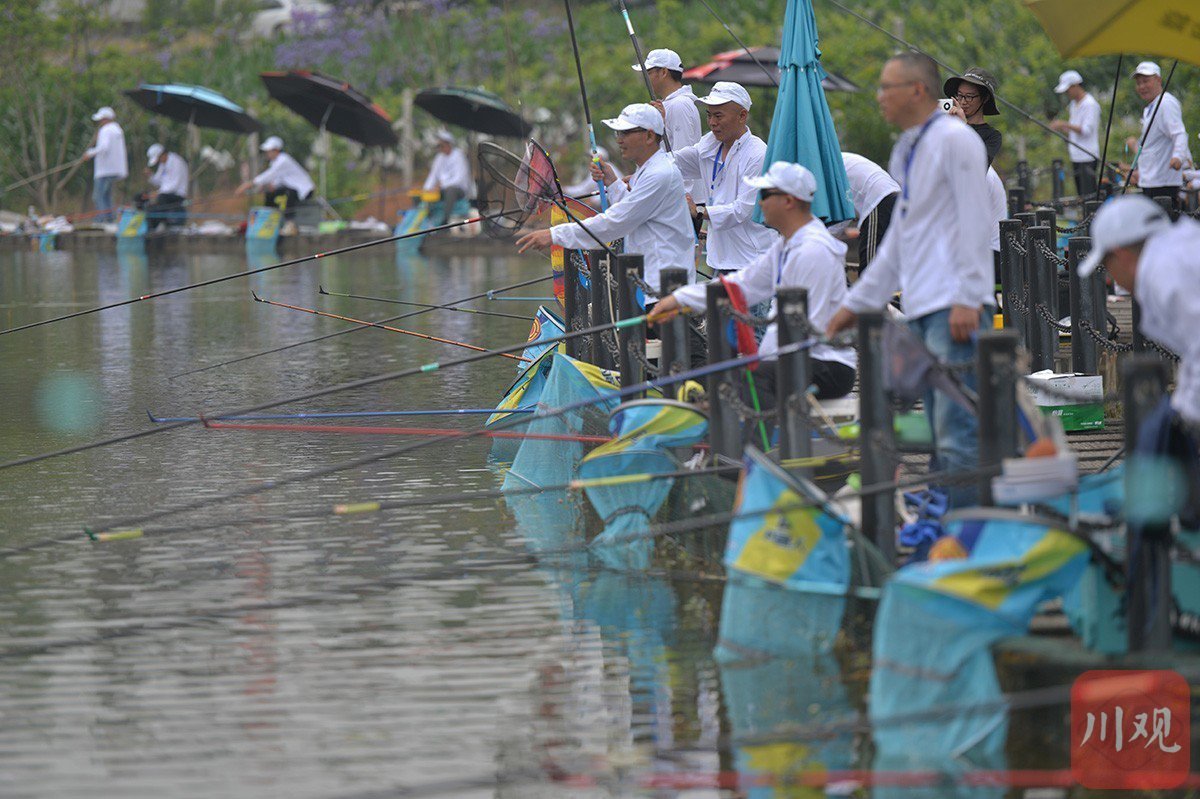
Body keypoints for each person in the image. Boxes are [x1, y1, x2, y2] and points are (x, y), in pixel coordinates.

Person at [827, 52, 993, 509]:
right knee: (935, 431)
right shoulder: (906, 149)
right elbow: (900, 237)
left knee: (959, 430)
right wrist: (857, 303)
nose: (879, 98)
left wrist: (968, 297)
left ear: (917, 90)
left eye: (887, 88)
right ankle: (946, 523)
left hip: (954, 303)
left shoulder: (957, 141)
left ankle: (969, 535)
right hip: (920, 303)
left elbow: (976, 220)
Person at [650, 161, 856, 402]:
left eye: (765, 194)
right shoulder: (786, 244)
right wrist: (678, 299)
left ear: (788, 201)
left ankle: (749, 440)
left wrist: (757, 362)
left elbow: (804, 328)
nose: (760, 202)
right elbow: (743, 284)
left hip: (826, 364)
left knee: (743, 379)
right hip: (797, 355)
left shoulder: (813, 251)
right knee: (728, 377)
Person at [515, 103, 694, 302]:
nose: (619, 140)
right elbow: (637, 212)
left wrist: (554, 234)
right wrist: (614, 183)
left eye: (625, 133)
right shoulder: (649, 170)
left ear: (650, 136)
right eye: (618, 133)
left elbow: (616, 222)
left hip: (663, 286)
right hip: (650, 282)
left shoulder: (659, 174)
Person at [1078, 195, 1199, 428]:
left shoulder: (1164, 273)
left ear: (1121, 254)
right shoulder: (1181, 248)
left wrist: (1185, 420)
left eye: (1107, 265)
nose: (1110, 276)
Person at [667, 82, 777, 274]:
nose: (712, 122)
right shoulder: (709, 144)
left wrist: (699, 211)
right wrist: (641, 172)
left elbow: (742, 210)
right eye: (709, 115)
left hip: (752, 262)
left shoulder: (758, 154)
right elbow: (676, 163)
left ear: (742, 116)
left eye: (718, 116)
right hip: (720, 259)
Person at [633, 48, 703, 198]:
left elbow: (685, 157)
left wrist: (682, 201)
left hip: (683, 202)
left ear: (663, 72)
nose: (645, 78)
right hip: (669, 196)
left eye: (649, 73)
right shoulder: (667, 105)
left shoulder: (680, 105)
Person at [1126, 61, 1188, 210]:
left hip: (1163, 182)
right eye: (1138, 83)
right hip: (1152, 180)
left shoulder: (1166, 103)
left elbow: (1179, 133)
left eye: (1146, 81)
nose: (1141, 87)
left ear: (1158, 80)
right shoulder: (1150, 107)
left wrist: (1178, 157)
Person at [841, 152, 899, 272]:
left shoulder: (823, 169)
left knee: (870, 270)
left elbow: (837, 216)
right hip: (890, 195)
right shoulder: (833, 158)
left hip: (877, 200)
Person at [1049, 70, 1101, 198]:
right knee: (1081, 195)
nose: (1067, 93)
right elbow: (1075, 128)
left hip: (1087, 156)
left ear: (1076, 86)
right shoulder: (1073, 105)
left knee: (1089, 196)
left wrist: (1064, 124)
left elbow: (1086, 130)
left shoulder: (1090, 104)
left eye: (1068, 90)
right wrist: (1062, 128)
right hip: (1076, 156)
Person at [236, 136, 315, 220]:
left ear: (276, 150)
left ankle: (289, 222)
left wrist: (248, 184)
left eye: (269, 151)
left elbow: (269, 175)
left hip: (304, 190)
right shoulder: (275, 162)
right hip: (293, 188)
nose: (267, 153)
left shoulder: (283, 160)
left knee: (290, 194)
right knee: (270, 194)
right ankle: (269, 218)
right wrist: (269, 187)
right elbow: (278, 180)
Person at [944, 67, 1002, 167]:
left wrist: (964, 127)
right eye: (960, 95)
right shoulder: (948, 127)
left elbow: (977, 166)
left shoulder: (992, 136)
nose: (963, 102)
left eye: (969, 97)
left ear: (985, 98)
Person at [81, 106, 128, 223]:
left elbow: (103, 147)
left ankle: (102, 220)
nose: (100, 122)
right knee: (107, 196)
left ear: (106, 119)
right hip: (115, 169)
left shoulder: (106, 130)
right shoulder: (117, 130)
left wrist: (89, 153)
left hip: (105, 170)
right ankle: (110, 219)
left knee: (98, 196)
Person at [423, 130, 474, 220]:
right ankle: (428, 220)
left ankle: (445, 220)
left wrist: (441, 185)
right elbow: (433, 176)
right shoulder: (439, 157)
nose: (440, 148)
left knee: (450, 190)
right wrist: (427, 189)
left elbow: (458, 179)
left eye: (441, 145)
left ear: (448, 144)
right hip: (442, 189)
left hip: (459, 190)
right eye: (438, 146)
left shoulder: (458, 156)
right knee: (427, 195)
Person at [138, 144, 189, 229]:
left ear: (162, 154)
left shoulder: (176, 162)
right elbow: (158, 181)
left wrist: (158, 193)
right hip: (165, 194)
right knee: (143, 199)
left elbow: (174, 185)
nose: (158, 162)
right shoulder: (163, 164)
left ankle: (160, 224)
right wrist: (150, 175)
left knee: (161, 199)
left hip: (177, 195)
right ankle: (149, 227)